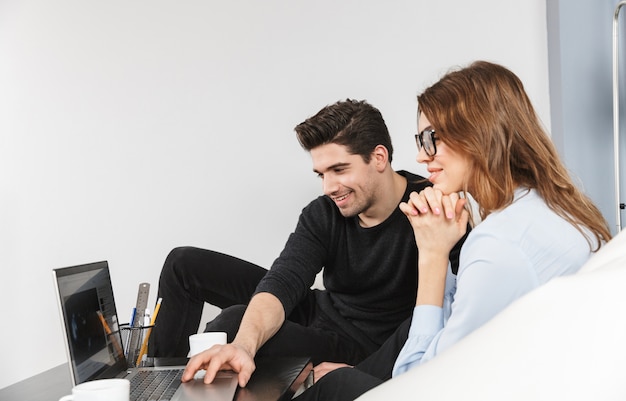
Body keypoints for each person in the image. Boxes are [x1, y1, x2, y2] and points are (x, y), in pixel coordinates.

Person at [292, 61, 612, 401]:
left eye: (431, 139)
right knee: (341, 378)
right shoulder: (559, 208)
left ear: (478, 132)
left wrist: (432, 255)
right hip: (532, 377)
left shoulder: (498, 244)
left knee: (334, 387)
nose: (419, 155)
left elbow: (418, 380)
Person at [148, 99, 466, 387]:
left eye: (339, 170)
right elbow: (285, 278)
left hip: (364, 344)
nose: (329, 186)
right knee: (183, 264)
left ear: (379, 157)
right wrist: (243, 346)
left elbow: (450, 312)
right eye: (321, 174)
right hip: (320, 310)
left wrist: (366, 372)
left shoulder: (432, 208)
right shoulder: (324, 212)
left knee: (232, 321)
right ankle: (156, 382)